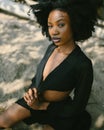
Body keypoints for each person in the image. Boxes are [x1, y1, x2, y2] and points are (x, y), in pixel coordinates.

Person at [0, 0, 99, 130]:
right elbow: (38, 78)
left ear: (74, 24)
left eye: (61, 25)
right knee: (2, 121)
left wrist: (42, 106)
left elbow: (77, 107)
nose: (54, 32)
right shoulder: (51, 48)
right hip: (35, 101)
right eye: (50, 26)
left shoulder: (83, 64)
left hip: (58, 110)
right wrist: (31, 93)